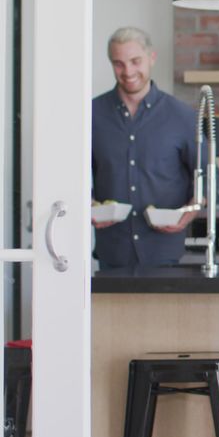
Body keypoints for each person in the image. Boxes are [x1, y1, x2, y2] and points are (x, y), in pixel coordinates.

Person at [91, 27, 202, 269]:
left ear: (152, 58)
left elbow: (206, 178)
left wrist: (189, 213)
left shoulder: (182, 116)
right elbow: (72, 177)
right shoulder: (92, 115)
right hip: (112, 252)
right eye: (118, 63)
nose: (128, 71)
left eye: (135, 61)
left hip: (166, 252)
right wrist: (88, 205)